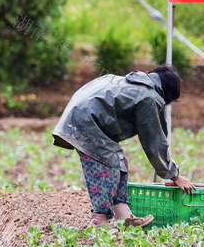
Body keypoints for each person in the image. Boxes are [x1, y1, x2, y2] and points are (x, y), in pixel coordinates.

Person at [52, 64, 194, 228]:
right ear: (167, 93)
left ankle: (125, 218)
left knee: (119, 162)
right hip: (86, 123)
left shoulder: (127, 83)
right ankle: (99, 220)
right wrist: (174, 175)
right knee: (106, 167)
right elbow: (154, 142)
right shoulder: (149, 98)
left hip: (84, 118)